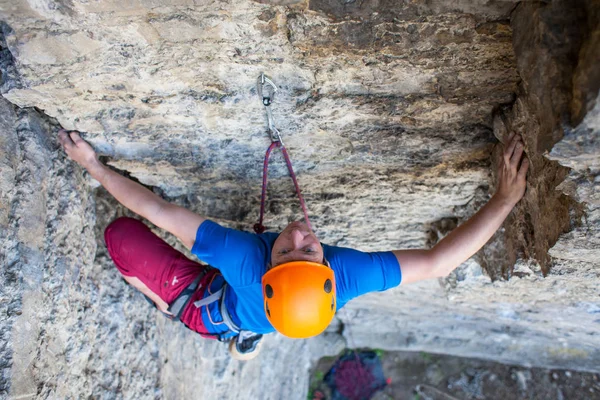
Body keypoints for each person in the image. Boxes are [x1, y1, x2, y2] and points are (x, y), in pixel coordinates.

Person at [58, 129, 529, 360]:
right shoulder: (344, 276)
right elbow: (436, 263)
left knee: (119, 237)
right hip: (263, 307)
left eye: (289, 248)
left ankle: (207, 320)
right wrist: (505, 199)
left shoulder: (242, 258)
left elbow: (156, 211)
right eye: (309, 249)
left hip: (209, 304)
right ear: (328, 274)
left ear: (266, 268)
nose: (301, 234)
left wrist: (94, 166)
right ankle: (250, 333)